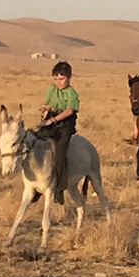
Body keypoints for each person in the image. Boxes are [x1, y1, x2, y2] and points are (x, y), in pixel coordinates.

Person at [37, 61, 79, 205]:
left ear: (69, 77)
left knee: (60, 152)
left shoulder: (72, 93)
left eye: (62, 79)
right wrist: (44, 111)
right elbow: (44, 103)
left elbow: (70, 110)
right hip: (50, 120)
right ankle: (37, 185)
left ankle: (60, 188)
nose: (58, 82)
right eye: (56, 79)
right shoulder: (52, 89)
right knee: (37, 143)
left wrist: (53, 120)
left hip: (65, 123)